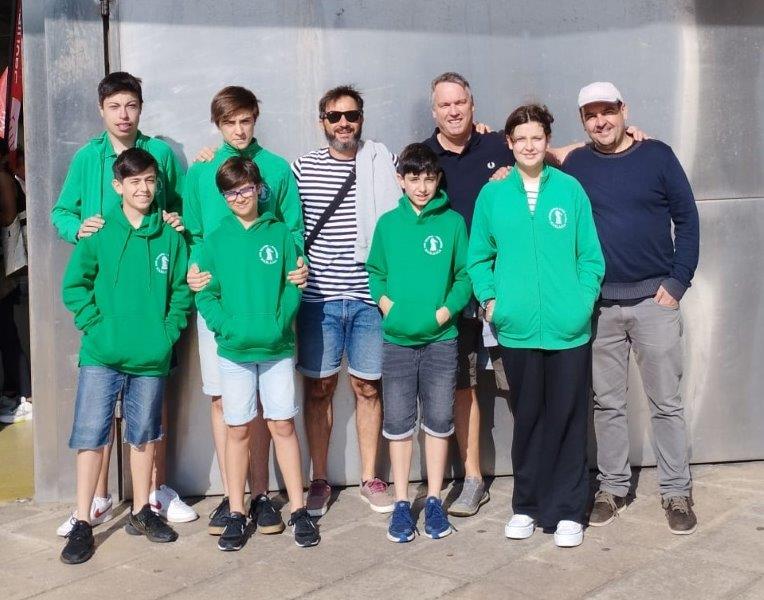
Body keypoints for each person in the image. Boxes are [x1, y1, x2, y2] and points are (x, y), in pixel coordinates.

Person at [49, 72, 196, 534]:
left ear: (141, 108)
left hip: (150, 306)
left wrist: (178, 221)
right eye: (114, 106)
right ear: (102, 110)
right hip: (108, 300)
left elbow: (180, 205)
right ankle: (94, 502)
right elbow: (61, 212)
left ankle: (151, 495)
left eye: (131, 105)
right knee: (96, 420)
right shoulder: (87, 157)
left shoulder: (160, 155)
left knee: (149, 416)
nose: (123, 114)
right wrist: (80, 230)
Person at [564, 82, 700, 534]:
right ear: (582, 121)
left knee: (666, 403)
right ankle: (613, 487)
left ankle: (676, 491)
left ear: (624, 109)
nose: (600, 121)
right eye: (591, 115)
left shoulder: (657, 155)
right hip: (601, 306)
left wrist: (677, 282)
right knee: (607, 404)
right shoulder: (578, 164)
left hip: (654, 302)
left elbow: (687, 218)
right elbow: (536, 154)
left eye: (608, 111)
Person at [468, 104, 604, 548]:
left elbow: (590, 257)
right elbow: (478, 257)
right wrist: (492, 302)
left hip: (568, 329)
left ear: (547, 141)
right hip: (517, 327)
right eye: (521, 139)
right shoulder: (493, 195)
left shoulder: (569, 190)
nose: (529, 146)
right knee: (528, 418)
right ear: (509, 143)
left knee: (568, 417)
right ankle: (526, 505)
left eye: (537, 137)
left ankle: (568, 511)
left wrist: (581, 303)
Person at [184, 85, 307, 535]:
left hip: (264, 305)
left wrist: (297, 272)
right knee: (225, 401)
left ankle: (262, 495)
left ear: (256, 118)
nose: (238, 130)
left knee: (269, 409)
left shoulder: (275, 168)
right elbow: (193, 232)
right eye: (229, 122)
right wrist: (195, 273)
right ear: (217, 124)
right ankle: (231, 497)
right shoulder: (201, 170)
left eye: (245, 121)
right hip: (221, 304)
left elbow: (292, 231)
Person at [195, 157, 319, 550]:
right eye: (231, 192)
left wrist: (281, 322)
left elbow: (293, 283)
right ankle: (236, 510)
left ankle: (298, 509)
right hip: (233, 352)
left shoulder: (280, 233)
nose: (240, 197)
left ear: (258, 188)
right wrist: (226, 327)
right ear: (224, 197)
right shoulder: (215, 240)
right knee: (238, 429)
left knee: (282, 425)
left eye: (246, 189)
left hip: (276, 348)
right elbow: (206, 293)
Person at [291, 84, 399, 516]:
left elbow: (423, 181)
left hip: (369, 296)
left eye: (351, 115)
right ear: (322, 121)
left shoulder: (383, 161)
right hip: (318, 298)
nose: (343, 123)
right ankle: (319, 478)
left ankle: (371, 477)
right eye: (334, 116)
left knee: (368, 386)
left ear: (361, 119)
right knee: (319, 389)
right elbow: (271, 212)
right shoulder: (303, 168)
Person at [366, 143, 471, 542]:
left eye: (429, 178)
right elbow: (375, 272)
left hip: (441, 340)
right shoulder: (388, 224)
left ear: (438, 178)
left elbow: (464, 275)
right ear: (401, 180)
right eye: (414, 179)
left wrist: (444, 313)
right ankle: (400, 503)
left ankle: (434, 501)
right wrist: (388, 307)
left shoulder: (453, 223)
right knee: (397, 423)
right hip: (397, 341)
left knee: (439, 420)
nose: (422, 187)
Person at [0, 139, 32, 424]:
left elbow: (9, 216)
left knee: (7, 331)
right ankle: (14, 391)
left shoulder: (3, 178)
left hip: (5, 267)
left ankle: (24, 394)